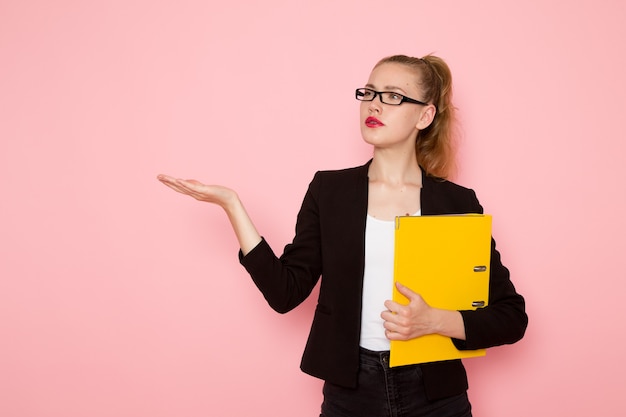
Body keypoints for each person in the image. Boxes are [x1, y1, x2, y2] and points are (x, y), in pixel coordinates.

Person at [157, 54, 528, 417]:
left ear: (425, 115)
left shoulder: (456, 202)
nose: (375, 105)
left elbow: (511, 317)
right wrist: (231, 204)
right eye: (368, 93)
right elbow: (285, 293)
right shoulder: (329, 190)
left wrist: (433, 321)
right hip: (350, 395)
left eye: (393, 96)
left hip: (436, 395)